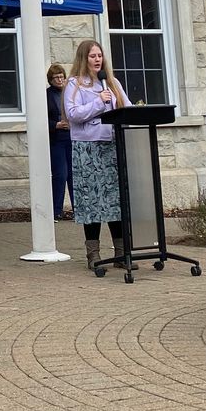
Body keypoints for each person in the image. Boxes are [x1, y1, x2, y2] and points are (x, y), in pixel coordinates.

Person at [63, 39, 131, 270]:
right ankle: (93, 255)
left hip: (111, 146)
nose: (97, 59)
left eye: (99, 55)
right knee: (91, 202)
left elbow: (127, 109)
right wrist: (98, 103)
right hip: (87, 149)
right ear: (84, 58)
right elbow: (73, 114)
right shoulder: (75, 84)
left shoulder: (111, 82)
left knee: (115, 201)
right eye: (92, 56)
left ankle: (122, 253)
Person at [46, 62, 73, 221]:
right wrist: (55, 125)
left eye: (62, 77)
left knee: (73, 175)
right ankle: (56, 211)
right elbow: (40, 118)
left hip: (71, 136)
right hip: (56, 138)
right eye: (56, 78)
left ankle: (79, 209)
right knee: (60, 175)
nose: (59, 80)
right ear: (50, 79)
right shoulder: (47, 95)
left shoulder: (70, 92)